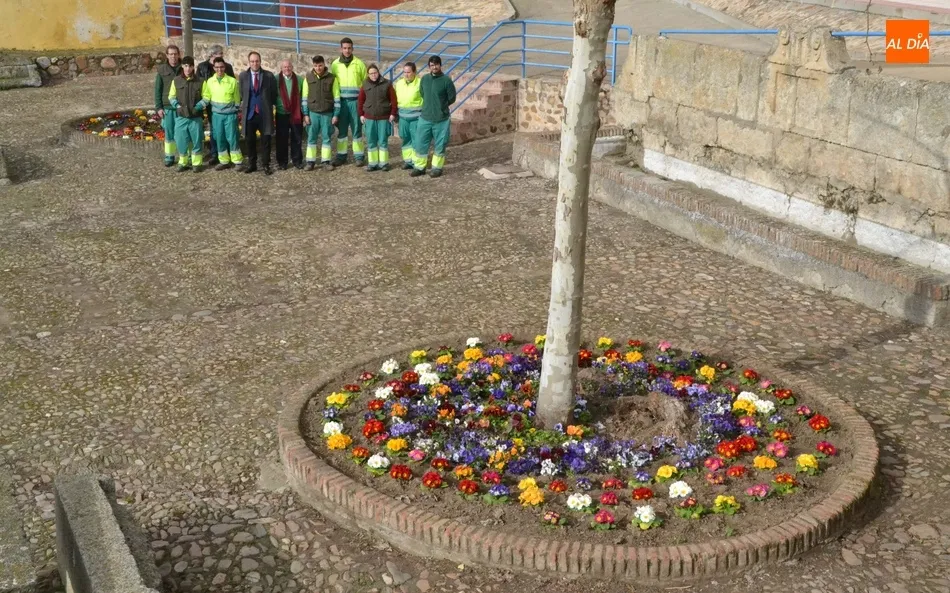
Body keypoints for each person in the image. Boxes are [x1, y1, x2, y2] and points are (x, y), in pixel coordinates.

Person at [411, 55, 456, 178]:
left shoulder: (446, 80)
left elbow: (452, 97)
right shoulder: (424, 79)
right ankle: (420, 167)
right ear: (429, 66)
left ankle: (437, 168)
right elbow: (422, 93)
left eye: (436, 64)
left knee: (440, 145)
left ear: (440, 65)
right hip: (425, 117)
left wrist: (441, 106)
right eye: (432, 65)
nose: (434, 67)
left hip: (441, 119)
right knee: (420, 143)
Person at [238, 51, 278, 175]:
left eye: (257, 61)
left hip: (264, 113)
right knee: (250, 141)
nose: (255, 63)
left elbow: (273, 94)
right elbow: (242, 94)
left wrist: (265, 104)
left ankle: (266, 165)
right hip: (250, 113)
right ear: (249, 62)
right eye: (252, 61)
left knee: (266, 140)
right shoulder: (243, 76)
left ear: (260, 61)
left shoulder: (268, 76)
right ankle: (252, 164)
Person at [201, 57, 243, 170]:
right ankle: (224, 161)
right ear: (214, 68)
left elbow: (237, 99)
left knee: (232, 137)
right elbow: (206, 97)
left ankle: (237, 161)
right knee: (219, 138)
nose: (220, 69)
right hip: (216, 116)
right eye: (217, 67)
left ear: (225, 67)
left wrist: (235, 112)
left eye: (222, 67)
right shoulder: (209, 82)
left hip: (230, 115)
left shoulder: (232, 81)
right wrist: (198, 106)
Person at [330, 37, 367, 166]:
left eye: (349, 48)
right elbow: (332, 84)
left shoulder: (359, 64)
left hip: (355, 102)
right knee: (342, 131)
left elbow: (365, 85)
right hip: (341, 103)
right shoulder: (335, 65)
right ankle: (341, 156)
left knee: (357, 129)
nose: (347, 50)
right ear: (341, 49)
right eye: (344, 48)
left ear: (353, 48)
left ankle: (359, 156)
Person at [197, 45, 235, 166]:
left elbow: (233, 83)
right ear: (212, 56)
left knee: (227, 132)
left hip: (226, 105)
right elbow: (199, 85)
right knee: (214, 130)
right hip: (211, 104)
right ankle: (215, 154)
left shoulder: (227, 66)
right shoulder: (202, 67)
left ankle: (227, 154)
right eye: (220, 55)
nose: (222, 58)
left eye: (222, 55)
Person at [168, 56, 207, 173]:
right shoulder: (176, 81)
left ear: (193, 67)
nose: (188, 68)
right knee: (180, 140)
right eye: (185, 66)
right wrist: (178, 106)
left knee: (197, 141)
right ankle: (183, 162)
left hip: (195, 117)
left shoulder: (200, 81)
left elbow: (206, 97)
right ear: (182, 67)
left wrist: (198, 107)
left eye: (190, 66)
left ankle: (197, 163)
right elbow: (171, 96)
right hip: (181, 117)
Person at [302, 55, 340, 171]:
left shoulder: (332, 78)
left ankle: (326, 161)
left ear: (324, 64)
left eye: (320, 65)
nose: (318, 68)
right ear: (313, 66)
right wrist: (306, 114)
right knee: (311, 138)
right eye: (315, 66)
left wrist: (336, 114)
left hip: (327, 113)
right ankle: (310, 162)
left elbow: (337, 97)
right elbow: (304, 97)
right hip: (313, 113)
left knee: (326, 138)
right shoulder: (308, 78)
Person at [357, 64, 397, 172]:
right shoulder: (364, 84)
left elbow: (393, 100)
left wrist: (393, 113)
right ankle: (372, 163)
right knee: (371, 141)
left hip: (384, 117)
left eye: (375, 73)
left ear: (378, 72)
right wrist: (361, 114)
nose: (373, 75)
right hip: (369, 117)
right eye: (371, 73)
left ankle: (384, 164)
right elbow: (360, 100)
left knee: (383, 141)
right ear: (368, 75)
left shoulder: (387, 84)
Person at [274, 59, 305, 170]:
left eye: (289, 66)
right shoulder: (276, 79)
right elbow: (273, 95)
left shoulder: (300, 80)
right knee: (281, 139)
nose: (287, 69)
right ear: (281, 68)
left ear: (292, 67)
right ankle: (282, 162)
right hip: (281, 113)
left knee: (297, 138)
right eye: (284, 67)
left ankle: (297, 160)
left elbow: (303, 96)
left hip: (295, 113)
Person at [154, 45, 182, 167]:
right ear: (167, 55)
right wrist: (159, 107)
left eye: (175, 54)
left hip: (181, 106)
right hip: (168, 107)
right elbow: (157, 90)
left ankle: (184, 156)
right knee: (169, 133)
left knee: (182, 133)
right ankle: (169, 157)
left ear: (179, 54)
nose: (173, 56)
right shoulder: (162, 70)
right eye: (171, 54)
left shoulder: (184, 68)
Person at [394, 61, 423, 170]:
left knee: (416, 140)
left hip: (416, 117)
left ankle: (417, 162)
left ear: (414, 72)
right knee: (405, 139)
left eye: (409, 72)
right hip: (403, 117)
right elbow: (396, 100)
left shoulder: (420, 83)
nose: (406, 74)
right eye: (404, 72)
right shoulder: (399, 83)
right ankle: (408, 161)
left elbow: (424, 100)